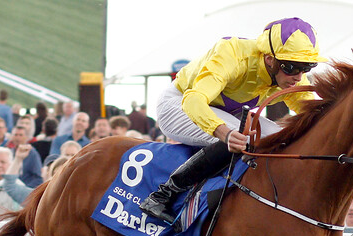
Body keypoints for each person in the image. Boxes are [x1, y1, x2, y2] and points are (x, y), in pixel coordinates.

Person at [138, 17, 326, 224]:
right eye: (291, 67)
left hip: (227, 111)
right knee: (245, 140)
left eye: (306, 67)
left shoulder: (289, 73)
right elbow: (194, 100)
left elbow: (314, 114)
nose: (299, 77)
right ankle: (163, 195)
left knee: (277, 139)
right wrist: (224, 133)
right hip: (179, 103)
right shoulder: (232, 53)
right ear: (269, 59)